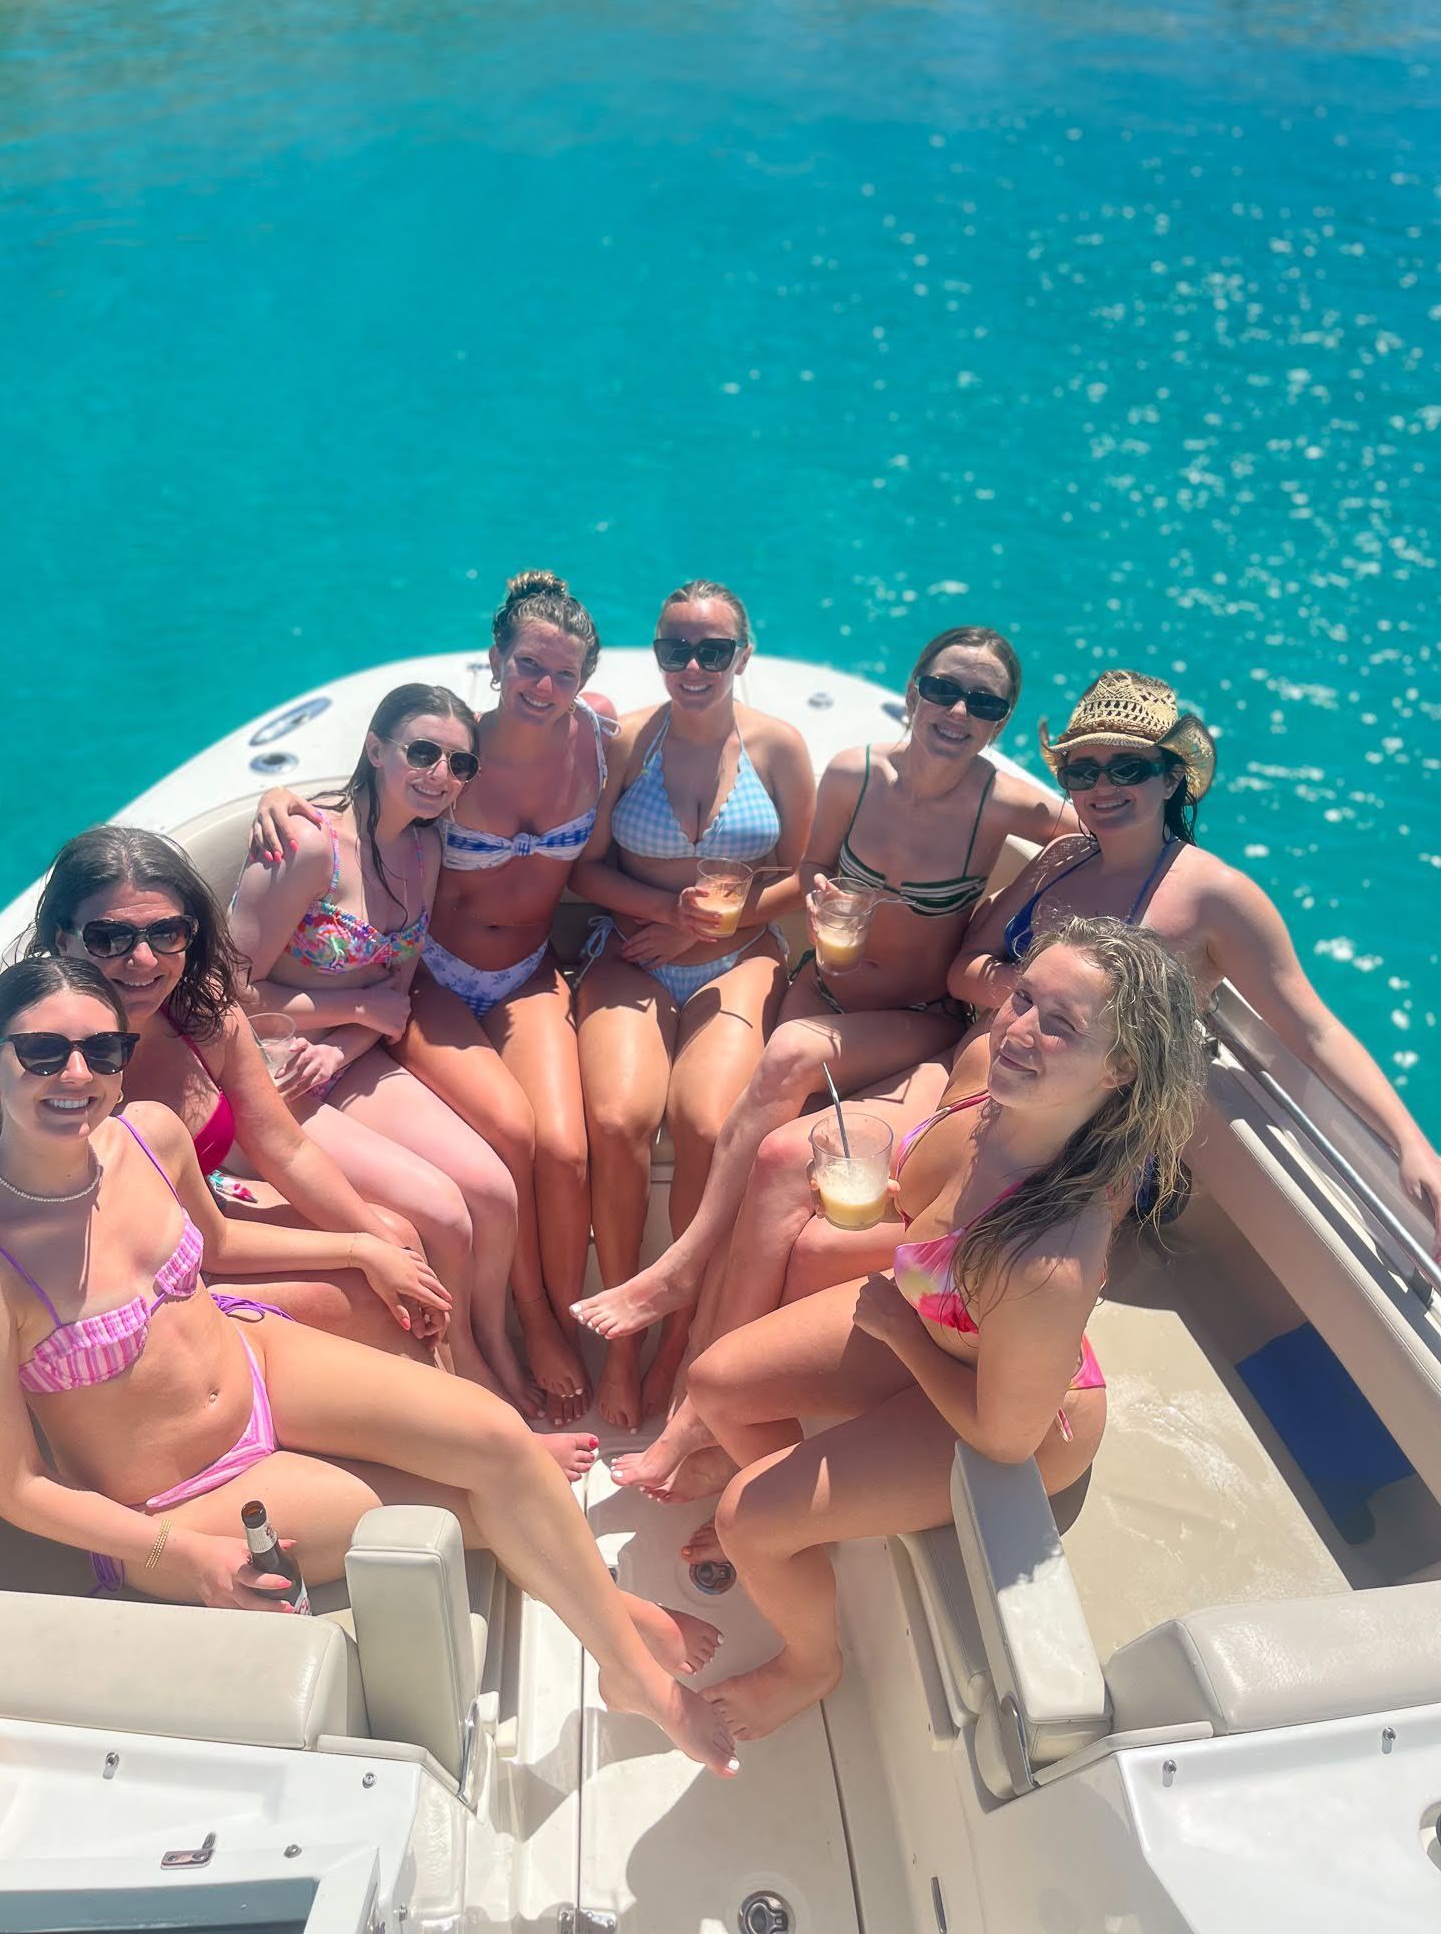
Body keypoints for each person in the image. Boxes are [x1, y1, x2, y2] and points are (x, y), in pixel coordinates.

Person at [0, 959, 737, 1778]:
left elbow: (221, 1243)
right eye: (43, 1053)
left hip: (255, 1361)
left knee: (500, 1439)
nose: (77, 1074)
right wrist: (181, 1551)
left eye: (102, 1051)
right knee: (461, 1509)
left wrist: (359, 1246)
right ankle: (633, 1664)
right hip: (179, 1498)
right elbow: (17, 1487)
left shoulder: (148, 1134)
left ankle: (618, 1642)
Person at [680, 919, 1204, 1743]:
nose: (1019, 1030)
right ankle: (803, 1529)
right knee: (715, 1382)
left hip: (1011, 1413)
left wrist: (901, 1333)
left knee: (747, 1514)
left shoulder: (1049, 1256)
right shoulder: (985, 1098)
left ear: (1121, 1068)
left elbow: (1003, 1438)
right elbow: (914, 1213)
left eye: (1060, 1025)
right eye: (1023, 998)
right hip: (936, 1323)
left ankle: (810, 1662)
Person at [574, 624, 1067, 1482]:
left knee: (783, 1060)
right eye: (943, 689)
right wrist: (817, 899)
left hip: (914, 1017)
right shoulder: (853, 773)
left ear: (1002, 720)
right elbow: (807, 872)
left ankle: (682, 1286)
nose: (957, 711)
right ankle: (693, 1366)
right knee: (746, 1138)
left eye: (982, 701)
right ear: (912, 691)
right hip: (826, 992)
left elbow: (1100, 831)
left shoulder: (1009, 807)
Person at [248, 573, 612, 1429]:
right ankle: (496, 1347)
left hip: (456, 1003)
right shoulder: (364, 819)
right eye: (527, 665)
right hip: (357, 1022)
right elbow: (230, 987)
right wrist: (277, 796)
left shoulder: (575, 755)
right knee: (484, 1169)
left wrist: (354, 1031)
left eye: (563, 673)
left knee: (534, 1163)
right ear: (496, 659)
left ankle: (529, 1331)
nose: (543, 685)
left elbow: (669, 725)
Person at [948, 670, 1441, 1246]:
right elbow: (964, 969)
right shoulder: (1061, 857)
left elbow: (1314, 1030)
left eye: (1127, 768)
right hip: (996, 1082)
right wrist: (1044, 1001)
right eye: (1083, 771)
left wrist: (1411, 1143)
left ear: (1171, 777)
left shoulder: (1217, 898)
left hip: (1095, 1146)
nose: (1103, 787)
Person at [0, 827, 453, 1366]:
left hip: (203, 1229)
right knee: (370, 1296)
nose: (144, 959)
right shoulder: (11, 1059)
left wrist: (377, 1243)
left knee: (398, 1240)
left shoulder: (200, 1013)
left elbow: (285, 1149)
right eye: (109, 938)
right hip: (104, 1289)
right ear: (63, 941)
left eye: (167, 933)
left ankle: (473, 1395)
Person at [571, 580, 817, 1431]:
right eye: (676, 648)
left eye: (714, 650)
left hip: (738, 957)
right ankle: (624, 1347)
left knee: (709, 1124)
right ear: (658, 653)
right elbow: (585, 869)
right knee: (616, 1121)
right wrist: (666, 918)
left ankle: (678, 1336)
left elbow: (805, 875)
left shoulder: (779, 748)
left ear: (743, 655)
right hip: (633, 951)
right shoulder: (627, 743)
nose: (694, 666)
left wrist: (714, 929)